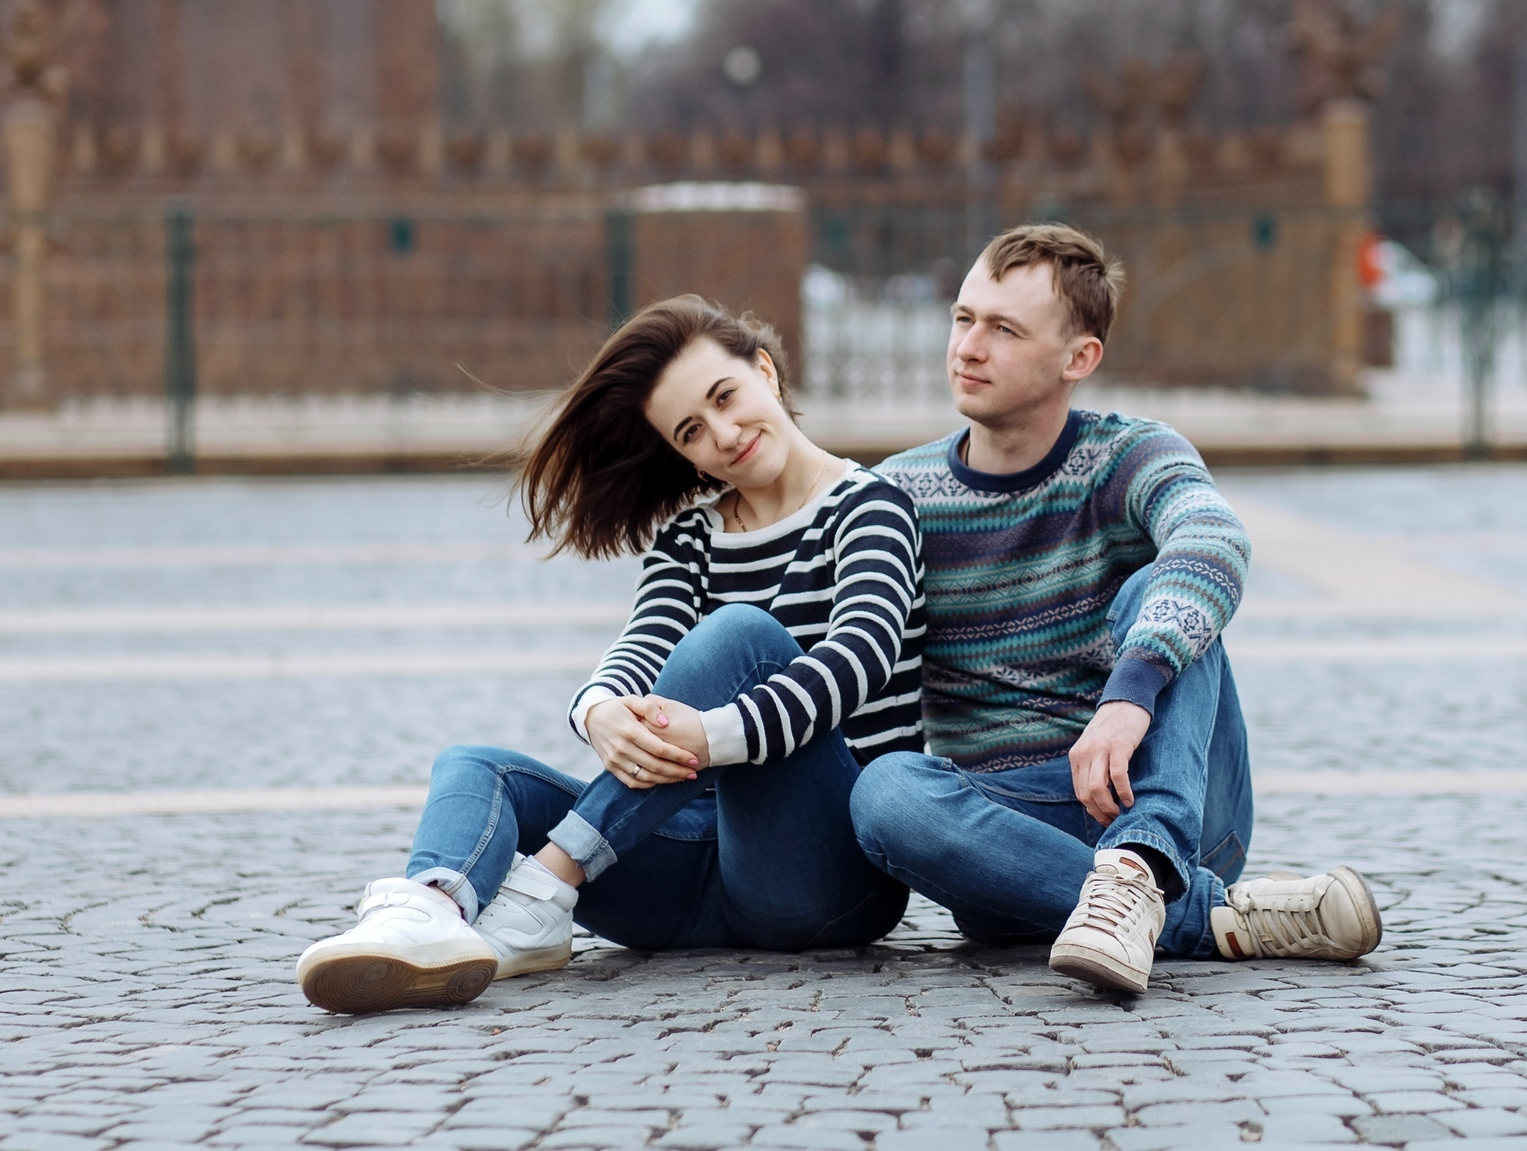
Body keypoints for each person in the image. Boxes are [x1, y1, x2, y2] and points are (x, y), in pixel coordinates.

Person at [295, 296, 925, 1014]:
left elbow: (858, 658)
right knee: (473, 766)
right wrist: (597, 711)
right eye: (691, 430)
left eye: (725, 396)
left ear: (765, 371)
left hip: (827, 879)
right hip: (692, 881)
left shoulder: (870, 507)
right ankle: (430, 914)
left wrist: (710, 735)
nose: (723, 434)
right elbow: (643, 644)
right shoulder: (691, 540)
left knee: (738, 637)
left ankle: (550, 881)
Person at [851, 224, 1381, 995]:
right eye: (963, 318)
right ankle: (1202, 914)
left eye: (1004, 329)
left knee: (1163, 590)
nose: (968, 347)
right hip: (1012, 836)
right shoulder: (897, 494)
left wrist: (1130, 692)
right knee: (886, 792)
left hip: (1170, 800)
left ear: (1079, 358)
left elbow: (1214, 536)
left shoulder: (1127, 454)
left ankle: (1144, 860)